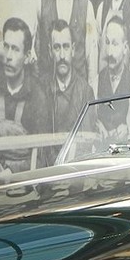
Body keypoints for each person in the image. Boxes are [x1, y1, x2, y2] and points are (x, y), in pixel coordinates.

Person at [0, 17, 48, 174]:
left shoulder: (38, 96)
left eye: (15, 49)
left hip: (24, 178)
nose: (8, 56)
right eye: (6, 47)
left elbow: (42, 158)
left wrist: (11, 171)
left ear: (27, 57)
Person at [40, 18, 94, 165]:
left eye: (66, 47)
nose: (62, 55)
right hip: (47, 169)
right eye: (57, 48)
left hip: (74, 169)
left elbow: (86, 144)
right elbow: (40, 143)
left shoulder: (85, 92)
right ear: (50, 51)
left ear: (73, 50)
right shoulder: (42, 89)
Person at [37, 0, 98, 93]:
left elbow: (92, 59)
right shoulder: (40, 1)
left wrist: (93, 96)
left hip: (77, 93)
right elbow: (35, 51)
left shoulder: (86, 5)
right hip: (47, 92)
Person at [96, 16, 130, 142]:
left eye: (115, 44)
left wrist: (128, 130)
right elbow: (91, 122)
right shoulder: (97, 81)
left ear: (125, 48)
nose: (109, 52)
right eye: (107, 42)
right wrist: (96, 125)